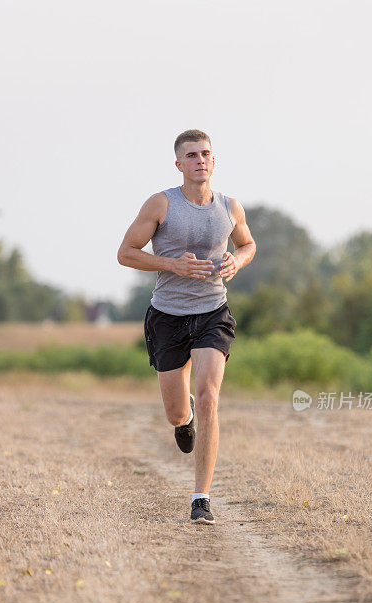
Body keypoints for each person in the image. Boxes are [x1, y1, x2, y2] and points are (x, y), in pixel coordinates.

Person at [117, 129, 256, 524]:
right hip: (167, 316)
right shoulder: (161, 204)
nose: (200, 160)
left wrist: (237, 261)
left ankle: (201, 499)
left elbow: (247, 244)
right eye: (191, 155)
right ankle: (185, 420)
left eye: (205, 154)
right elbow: (125, 253)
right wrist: (173, 264)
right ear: (179, 164)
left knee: (209, 395)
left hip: (213, 311)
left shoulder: (230, 207)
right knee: (177, 411)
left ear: (214, 161)